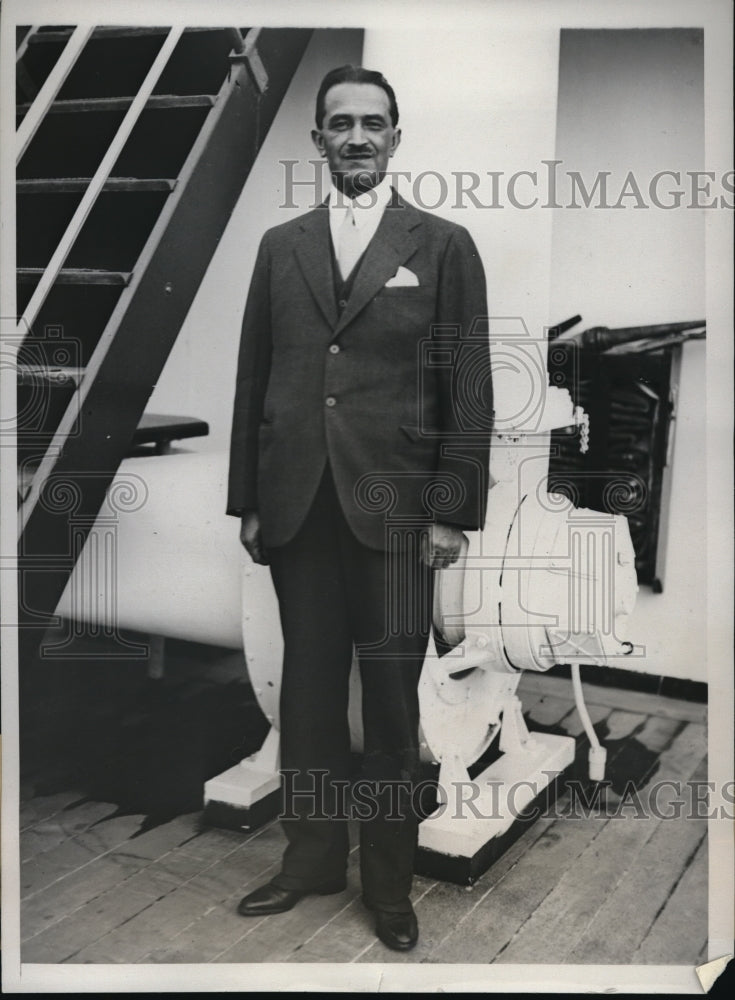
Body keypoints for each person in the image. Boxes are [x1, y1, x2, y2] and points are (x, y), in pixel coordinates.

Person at [227, 64, 492, 952]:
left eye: (372, 123)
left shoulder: (443, 245)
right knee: (304, 696)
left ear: (396, 135)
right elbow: (253, 379)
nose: (356, 137)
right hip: (297, 508)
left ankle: (387, 884)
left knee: (387, 703)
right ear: (317, 141)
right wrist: (247, 503)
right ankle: (307, 862)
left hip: (399, 517)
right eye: (339, 124)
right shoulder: (281, 247)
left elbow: (468, 384)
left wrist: (451, 510)